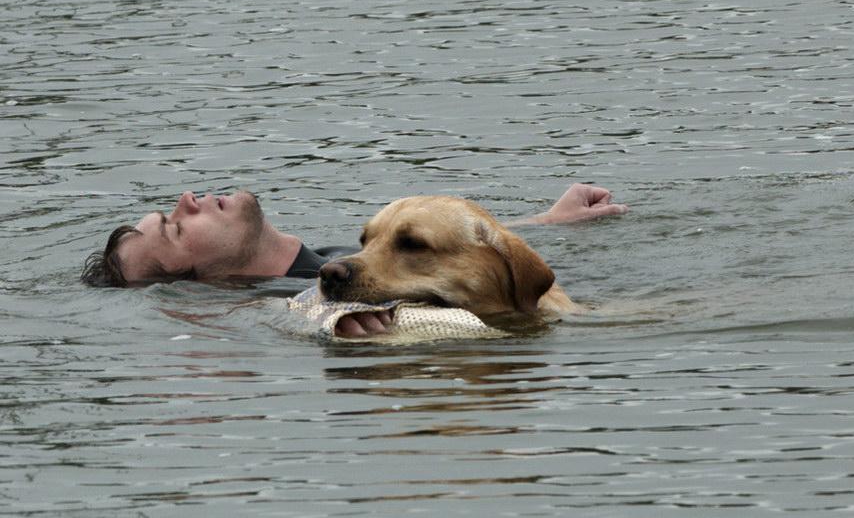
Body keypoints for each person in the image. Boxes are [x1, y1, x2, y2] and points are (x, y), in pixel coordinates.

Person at [81, 183, 628, 337]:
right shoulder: (281, 293)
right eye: (176, 229)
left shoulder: (347, 256)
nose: (186, 200)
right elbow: (288, 313)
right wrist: (330, 318)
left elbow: (447, 240)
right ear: (198, 282)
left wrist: (546, 222)